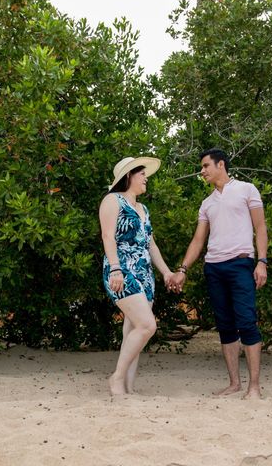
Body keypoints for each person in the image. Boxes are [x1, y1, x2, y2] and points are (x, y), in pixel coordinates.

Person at [169, 149, 268, 399]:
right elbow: (198, 240)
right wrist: (183, 269)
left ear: (220, 164)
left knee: (246, 322)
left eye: (205, 166)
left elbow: (260, 227)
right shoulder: (207, 203)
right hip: (213, 267)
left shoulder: (247, 189)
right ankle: (234, 383)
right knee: (225, 326)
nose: (202, 171)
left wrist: (262, 262)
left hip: (240, 264)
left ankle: (253, 387)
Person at [99, 156, 173, 395]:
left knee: (133, 331)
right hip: (122, 269)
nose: (146, 178)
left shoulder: (144, 209)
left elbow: (151, 246)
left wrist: (166, 272)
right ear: (129, 176)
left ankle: (128, 388)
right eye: (142, 174)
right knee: (147, 325)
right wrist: (115, 269)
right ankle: (116, 378)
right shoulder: (113, 200)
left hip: (145, 273)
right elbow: (108, 237)